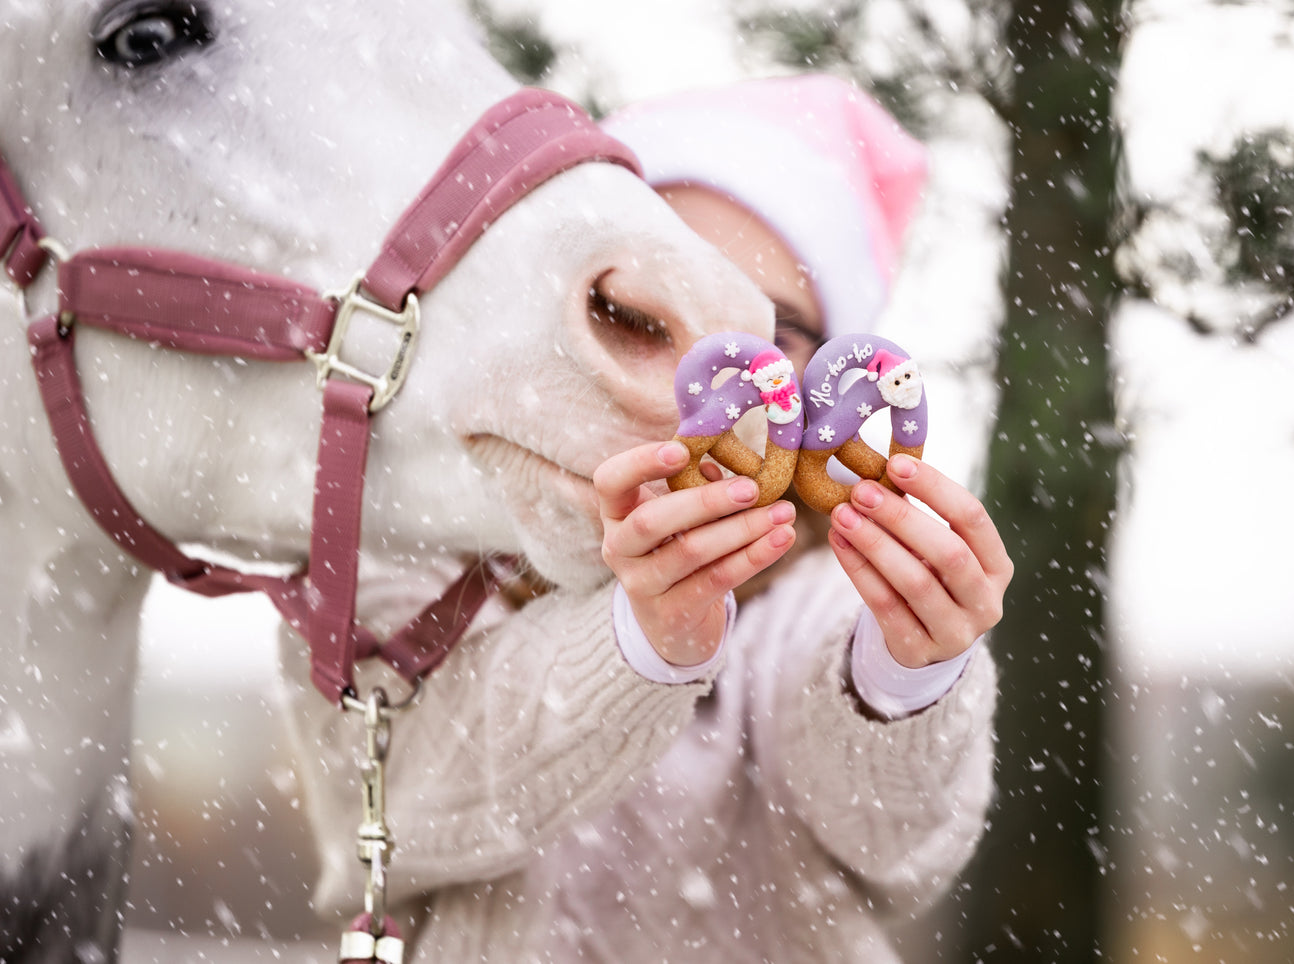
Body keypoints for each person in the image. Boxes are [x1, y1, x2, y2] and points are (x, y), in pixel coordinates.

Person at [279, 74, 1008, 963]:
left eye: (772, 328)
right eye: (648, 304)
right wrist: (642, 642)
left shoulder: (828, 597)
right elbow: (397, 807)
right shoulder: (407, 548)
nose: (714, 354)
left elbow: (899, 850)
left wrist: (900, 676)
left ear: (823, 394)